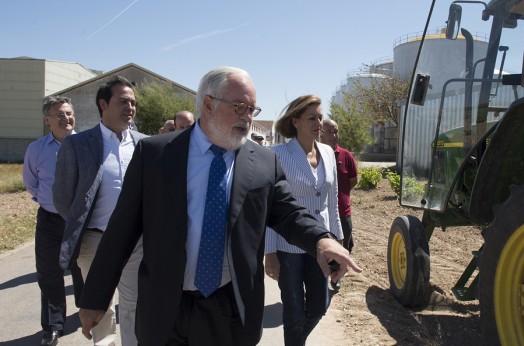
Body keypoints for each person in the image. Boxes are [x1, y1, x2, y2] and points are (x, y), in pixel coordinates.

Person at [75, 66, 361, 346]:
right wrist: (95, 299)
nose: (247, 117)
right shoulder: (156, 155)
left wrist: (321, 240)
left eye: (252, 109)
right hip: (165, 306)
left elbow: (288, 212)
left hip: (229, 306)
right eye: (239, 107)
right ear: (208, 105)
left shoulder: (263, 162)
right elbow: (121, 231)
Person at [53, 75, 147, 346]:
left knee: (134, 304)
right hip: (94, 242)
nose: (130, 107)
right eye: (123, 102)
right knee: (99, 307)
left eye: (133, 102)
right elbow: (62, 198)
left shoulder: (145, 144)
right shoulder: (78, 144)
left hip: (136, 242)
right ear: (103, 104)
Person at [264, 95, 343, 346]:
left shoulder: (328, 153)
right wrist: (270, 252)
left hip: (321, 242)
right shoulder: (277, 154)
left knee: (320, 305)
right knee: (294, 311)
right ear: (295, 121)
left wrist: (338, 240)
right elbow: (270, 207)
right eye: (311, 118)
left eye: (320, 117)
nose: (318, 123)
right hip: (288, 247)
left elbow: (332, 201)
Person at [22, 95, 84, 346]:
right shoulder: (36, 149)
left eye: (69, 113)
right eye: (59, 114)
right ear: (47, 120)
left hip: (81, 220)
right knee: (49, 274)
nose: (66, 118)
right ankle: (53, 326)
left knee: (83, 270)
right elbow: (31, 183)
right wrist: (50, 203)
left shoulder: (86, 144)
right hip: (49, 220)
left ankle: (87, 312)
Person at [320, 118, 358, 290]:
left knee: (345, 245)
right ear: (320, 133)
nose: (334, 135)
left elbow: (353, 181)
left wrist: (340, 196)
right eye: (330, 131)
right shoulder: (314, 155)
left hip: (343, 212)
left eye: (336, 131)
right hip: (320, 213)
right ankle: (319, 279)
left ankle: (336, 276)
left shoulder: (346, 156)